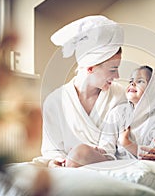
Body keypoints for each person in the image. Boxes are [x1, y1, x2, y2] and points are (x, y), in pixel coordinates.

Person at [39, 15, 128, 168]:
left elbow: (118, 149)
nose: (117, 77)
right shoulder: (55, 101)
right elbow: (51, 150)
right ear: (90, 68)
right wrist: (59, 161)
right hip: (69, 168)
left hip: (107, 166)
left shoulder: (118, 95)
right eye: (113, 70)